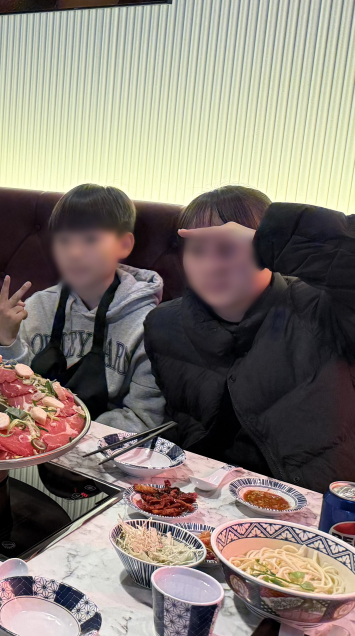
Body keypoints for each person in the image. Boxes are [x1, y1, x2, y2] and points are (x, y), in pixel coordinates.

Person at [144, 187, 355, 491]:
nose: (212, 266)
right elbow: (184, 426)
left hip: (314, 503)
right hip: (204, 495)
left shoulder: (322, 309)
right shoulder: (164, 324)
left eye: (228, 249)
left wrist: (277, 236)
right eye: (198, 251)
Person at [0, 183, 165, 432]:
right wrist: (7, 340)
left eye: (90, 239)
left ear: (124, 245)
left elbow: (143, 419)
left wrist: (66, 432)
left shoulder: (148, 324)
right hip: (32, 438)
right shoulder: (37, 307)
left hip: (105, 448)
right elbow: (5, 394)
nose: (74, 253)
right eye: (64, 240)